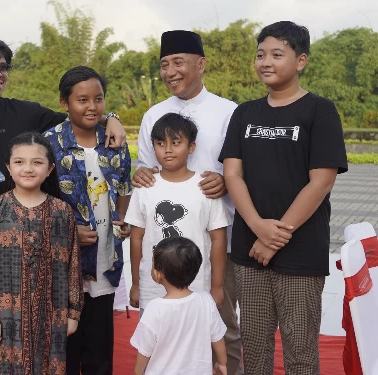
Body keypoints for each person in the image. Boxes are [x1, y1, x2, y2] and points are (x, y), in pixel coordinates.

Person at [0, 35, 126, 375]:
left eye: (3, 67)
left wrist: (112, 117)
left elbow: (81, 112)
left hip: (22, 237)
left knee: (15, 323)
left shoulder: (26, 112)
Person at [218, 21, 348, 375]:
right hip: (249, 250)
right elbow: (233, 174)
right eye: (260, 54)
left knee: (300, 348)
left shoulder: (319, 110)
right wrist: (258, 227)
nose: (266, 62)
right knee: (254, 346)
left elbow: (321, 182)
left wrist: (276, 237)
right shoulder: (244, 113)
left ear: (301, 60)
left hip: (301, 251)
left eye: (277, 54)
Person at [130, 30, 243, 375]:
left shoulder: (229, 112)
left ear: (201, 64)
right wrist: (141, 176)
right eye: (164, 64)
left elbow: (242, 167)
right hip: (165, 248)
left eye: (178, 62)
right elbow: (147, 171)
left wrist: (227, 181)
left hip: (215, 236)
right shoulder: (154, 115)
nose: (170, 72)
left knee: (222, 328)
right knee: (163, 331)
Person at [43, 66, 132, 375]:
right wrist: (67, 232)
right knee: (65, 346)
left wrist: (123, 219)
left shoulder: (114, 142)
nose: (92, 107)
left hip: (105, 257)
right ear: (64, 104)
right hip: (64, 264)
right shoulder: (48, 145)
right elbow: (37, 199)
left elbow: (124, 186)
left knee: (99, 346)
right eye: (82, 99)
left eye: (99, 98)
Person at [0, 132, 84, 374]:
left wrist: (73, 312)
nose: (28, 169)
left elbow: (73, 264)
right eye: (19, 162)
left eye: (37, 162)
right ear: (8, 167)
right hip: (5, 315)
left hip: (52, 315)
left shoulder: (62, 212)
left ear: (50, 168)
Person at [125, 113, 230, 318]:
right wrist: (137, 284)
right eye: (160, 143)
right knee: (154, 346)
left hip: (197, 287)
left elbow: (218, 240)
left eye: (175, 142)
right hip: (153, 288)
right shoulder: (145, 188)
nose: (168, 149)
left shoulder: (205, 187)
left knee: (194, 345)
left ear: (191, 147)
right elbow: (136, 238)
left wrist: (217, 287)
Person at [131, 236, 228, 375]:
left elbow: (144, 351)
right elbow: (218, 338)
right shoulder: (206, 301)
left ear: (158, 274)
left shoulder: (154, 309)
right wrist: (222, 363)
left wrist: (137, 373)